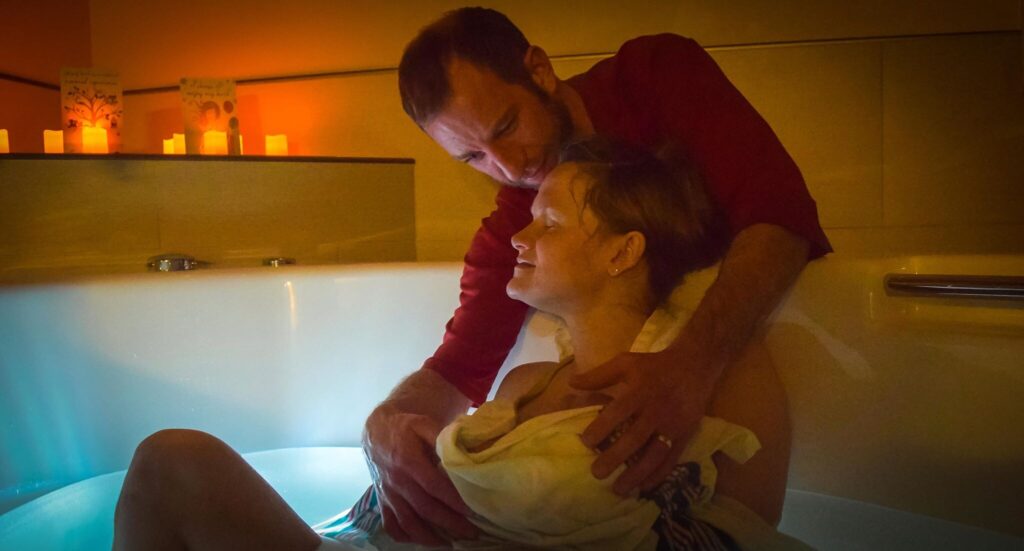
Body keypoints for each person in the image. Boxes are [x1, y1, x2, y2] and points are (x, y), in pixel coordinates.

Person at [112, 138, 800, 550]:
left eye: (550, 223)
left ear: (623, 252)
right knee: (170, 461)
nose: (520, 238)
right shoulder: (524, 384)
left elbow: (744, 532)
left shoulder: (726, 371)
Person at [365, 7, 831, 546]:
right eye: (473, 156)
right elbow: (457, 365)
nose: (509, 168)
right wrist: (384, 425)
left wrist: (692, 366)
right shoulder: (514, 228)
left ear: (539, 70)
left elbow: (780, 216)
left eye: (507, 126)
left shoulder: (653, 78)